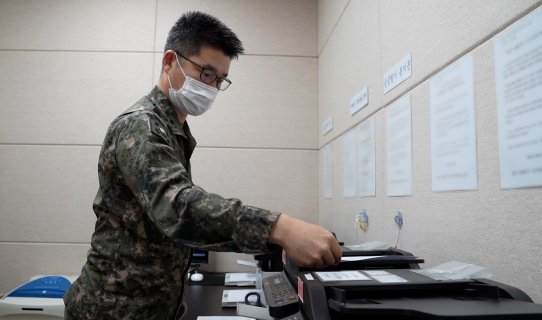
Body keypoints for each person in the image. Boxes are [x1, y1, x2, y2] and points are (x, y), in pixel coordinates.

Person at [63, 11, 341, 320]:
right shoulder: (140, 126)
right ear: (170, 61)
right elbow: (179, 208)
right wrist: (279, 227)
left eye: (220, 80)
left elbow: (180, 225)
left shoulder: (173, 132)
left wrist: (269, 240)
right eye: (206, 73)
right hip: (110, 309)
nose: (212, 87)